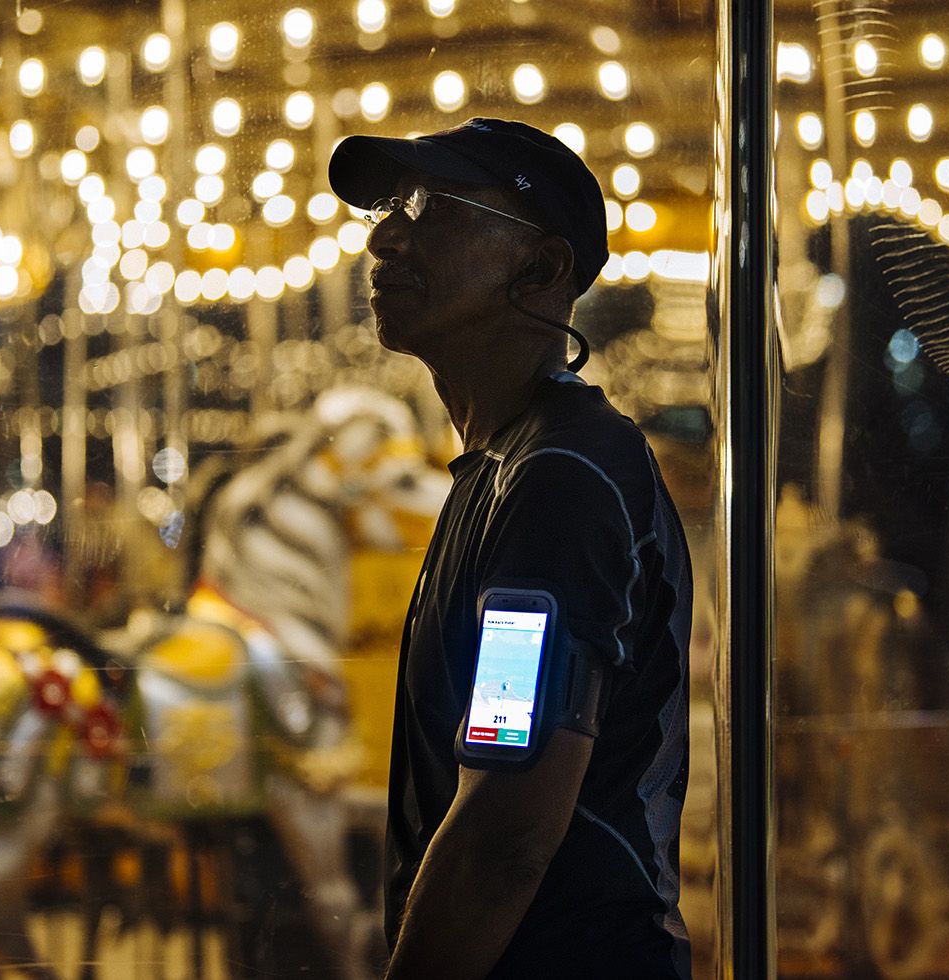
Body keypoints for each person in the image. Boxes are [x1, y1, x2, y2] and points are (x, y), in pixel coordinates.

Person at [328, 118, 693, 978]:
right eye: (387, 205)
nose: (386, 234)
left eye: (431, 207)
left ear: (542, 268)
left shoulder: (558, 478)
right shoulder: (504, 466)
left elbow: (508, 830)